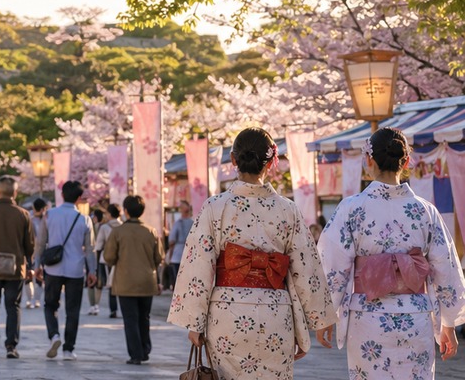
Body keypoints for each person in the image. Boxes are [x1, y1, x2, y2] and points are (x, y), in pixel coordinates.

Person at [169, 127, 334, 379]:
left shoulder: (216, 207)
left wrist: (195, 321)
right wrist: (320, 319)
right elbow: (306, 267)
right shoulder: (287, 209)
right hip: (275, 314)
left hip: (226, 313)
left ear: (233, 160)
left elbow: (198, 266)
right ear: (271, 162)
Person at [316, 128, 465, 378]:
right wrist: (448, 322)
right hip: (415, 316)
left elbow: (332, 266)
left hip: (367, 318)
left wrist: (325, 314)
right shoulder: (425, 211)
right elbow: (445, 267)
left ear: (368, 161)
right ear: (406, 161)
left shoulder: (351, 209)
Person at [102, 194, 162, 365]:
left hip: (125, 281)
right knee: (144, 317)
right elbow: (159, 257)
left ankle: (135, 354)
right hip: (146, 281)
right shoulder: (151, 231)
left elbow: (109, 257)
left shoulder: (118, 232)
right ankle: (145, 349)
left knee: (130, 319)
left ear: (126, 211)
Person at [41, 181, 96, 360]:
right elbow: (90, 249)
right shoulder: (84, 219)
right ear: (79, 199)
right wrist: (92, 271)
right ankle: (68, 349)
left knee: (50, 305)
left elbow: (41, 243)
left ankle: (54, 335)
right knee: (73, 310)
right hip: (76, 269)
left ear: (62, 195)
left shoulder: (49, 214)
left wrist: (35, 266)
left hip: (53, 268)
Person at [0, 176, 34, 360]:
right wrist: (30, 264)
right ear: (15, 193)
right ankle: (11, 345)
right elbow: (29, 245)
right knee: (13, 306)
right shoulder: (23, 214)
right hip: (16, 268)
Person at [94, 203, 123, 318]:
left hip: (106, 259)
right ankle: (122, 308)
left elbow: (98, 245)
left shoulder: (105, 227)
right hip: (121, 258)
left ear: (109, 214)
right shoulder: (123, 226)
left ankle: (113, 310)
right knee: (120, 283)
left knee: (110, 284)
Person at [26, 198, 49, 309]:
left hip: (35, 252)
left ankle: (34, 300)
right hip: (38, 252)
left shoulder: (32, 220)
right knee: (31, 276)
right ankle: (33, 300)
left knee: (37, 277)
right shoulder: (34, 220)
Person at [165, 200, 193, 290]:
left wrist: (170, 254)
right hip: (190, 254)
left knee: (177, 280)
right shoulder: (194, 222)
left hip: (177, 255)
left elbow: (171, 240)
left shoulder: (178, 223)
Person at [87, 208, 106, 316]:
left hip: (96, 256)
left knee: (97, 282)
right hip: (95, 257)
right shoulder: (95, 226)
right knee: (95, 282)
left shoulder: (101, 227)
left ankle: (95, 305)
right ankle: (93, 305)